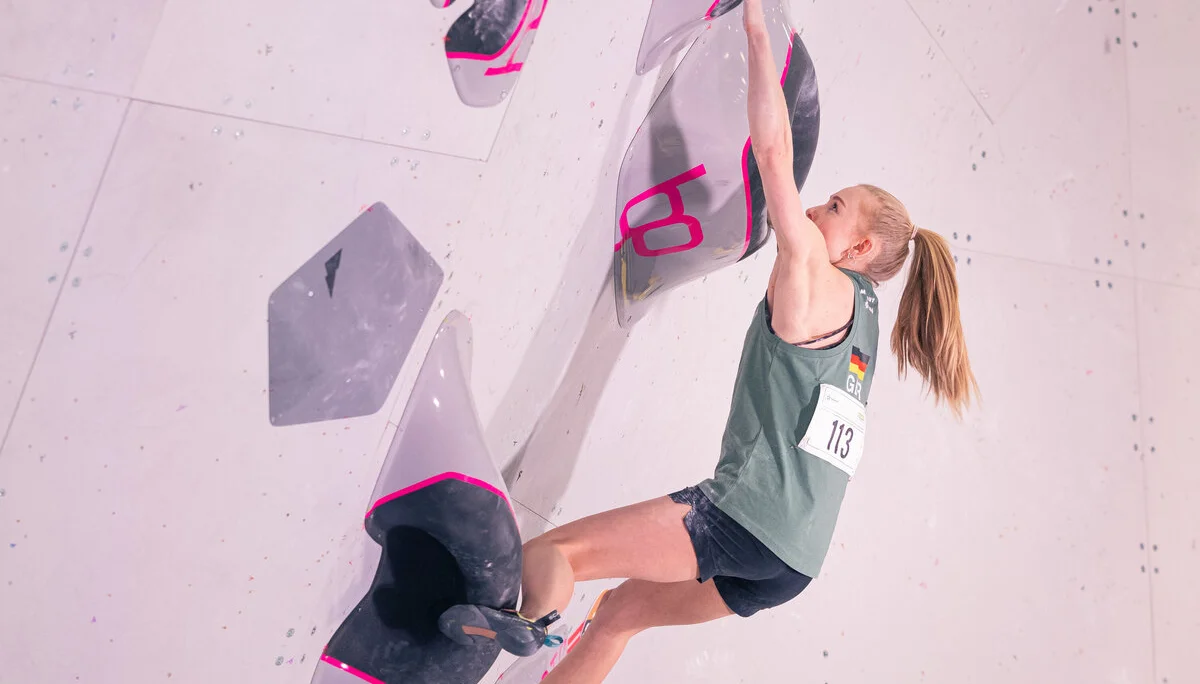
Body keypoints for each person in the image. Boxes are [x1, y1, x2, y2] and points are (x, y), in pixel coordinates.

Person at [438, 0, 979, 679]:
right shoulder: (866, 310)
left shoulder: (812, 265)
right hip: (792, 562)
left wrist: (755, 29)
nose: (814, 210)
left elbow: (774, 153)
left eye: (833, 208)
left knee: (555, 557)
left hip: (742, 522)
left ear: (861, 245)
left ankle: (523, 624)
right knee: (620, 616)